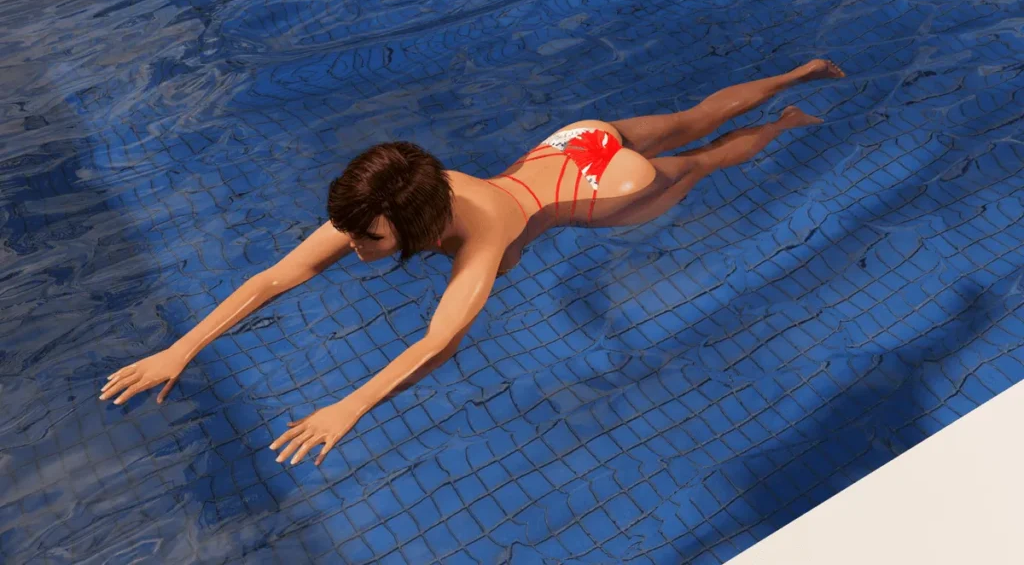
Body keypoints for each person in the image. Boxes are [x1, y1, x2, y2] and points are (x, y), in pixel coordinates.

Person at [100, 60, 846, 466]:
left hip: (607, 190)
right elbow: (278, 275)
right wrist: (181, 348)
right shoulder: (407, 186)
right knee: (692, 119)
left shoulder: (485, 242)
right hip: (574, 142)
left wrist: (349, 405)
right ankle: (796, 74)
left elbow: (440, 342)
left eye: (368, 241)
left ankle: (785, 120)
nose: (351, 248)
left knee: (704, 159)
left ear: (420, 228)